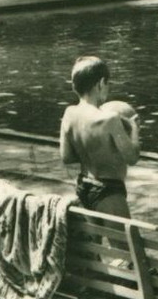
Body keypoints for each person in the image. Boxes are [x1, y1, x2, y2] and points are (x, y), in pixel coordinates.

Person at [58, 55, 140, 218]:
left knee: (94, 241)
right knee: (126, 244)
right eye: (107, 84)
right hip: (109, 192)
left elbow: (66, 157)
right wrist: (134, 129)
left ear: (75, 86)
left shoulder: (69, 113)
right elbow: (132, 157)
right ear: (101, 83)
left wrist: (92, 152)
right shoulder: (109, 119)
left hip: (84, 188)